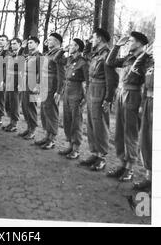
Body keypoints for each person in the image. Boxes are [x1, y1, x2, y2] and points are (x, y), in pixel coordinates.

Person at [106, 31, 149, 182]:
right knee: (119, 131)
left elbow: (147, 84)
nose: (128, 43)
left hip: (133, 96)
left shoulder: (146, 60)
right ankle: (122, 164)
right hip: (121, 94)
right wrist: (117, 46)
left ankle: (130, 168)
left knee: (131, 133)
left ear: (139, 43)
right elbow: (109, 63)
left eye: (130, 41)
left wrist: (142, 105)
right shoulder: (128, 58)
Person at [79, 28, 118, 171]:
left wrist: (108, 99)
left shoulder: (107, 55)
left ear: (100, 39)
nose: (91, 40)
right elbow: (85, 57)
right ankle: (94, 153)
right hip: (92, 90)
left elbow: (112, 79)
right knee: (90, 123)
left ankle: (102, 157)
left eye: (93, 37)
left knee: (100, 124)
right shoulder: (96, 54)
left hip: (100, 90)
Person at [59, 38, 89, 159]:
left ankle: (76, 149)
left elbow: (88, 81)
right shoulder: (69, 60)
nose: (69, 47)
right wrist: (63, 50)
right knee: (67, 120)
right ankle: (70, 145)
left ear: (77, 47)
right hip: (67, 91)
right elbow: (57, 59)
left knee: (76, 121)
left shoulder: (83, 62)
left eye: (71, 45)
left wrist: (85, 99)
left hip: (77, 93)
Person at [35, 33, 65, 149]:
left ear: (57, 42)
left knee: (51, 111)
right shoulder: (48, 53)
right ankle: (46, 136)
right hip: (44, 85)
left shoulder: (60, 55)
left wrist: (59, 91)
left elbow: (61, 75)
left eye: (51, 40)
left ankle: (52, 139)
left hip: (51, 87)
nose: (48, 41)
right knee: (44, 110)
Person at [132, 44, 153, 191]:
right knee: (146, 140)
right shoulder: (150, 63)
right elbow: (135, 70)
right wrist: (145, 55)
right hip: (148, 103)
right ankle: (149, 178)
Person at [18, 36, 42, 140]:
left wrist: (37, 85)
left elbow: (41, 72)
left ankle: (32, 130)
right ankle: (28, 128)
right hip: (25, 82)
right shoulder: (29, 55)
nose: (29, 45)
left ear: (37, 44)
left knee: (31, 107)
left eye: (31, 43)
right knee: (24, 106)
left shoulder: (39, 56)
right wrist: (22, 48)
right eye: (28, 43)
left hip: (32, 83)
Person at [2, 37, 23, 132]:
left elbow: (22, 70)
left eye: (15, 43)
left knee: (14, 103)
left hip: (16, 81)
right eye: (12, 44)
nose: (12, 45)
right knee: (7, 102)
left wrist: (20, 83)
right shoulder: (10, 55)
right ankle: (11, 121)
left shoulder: (22, 54)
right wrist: (4, 80)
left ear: (19, 44)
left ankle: (14, 123)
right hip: (8, 80)